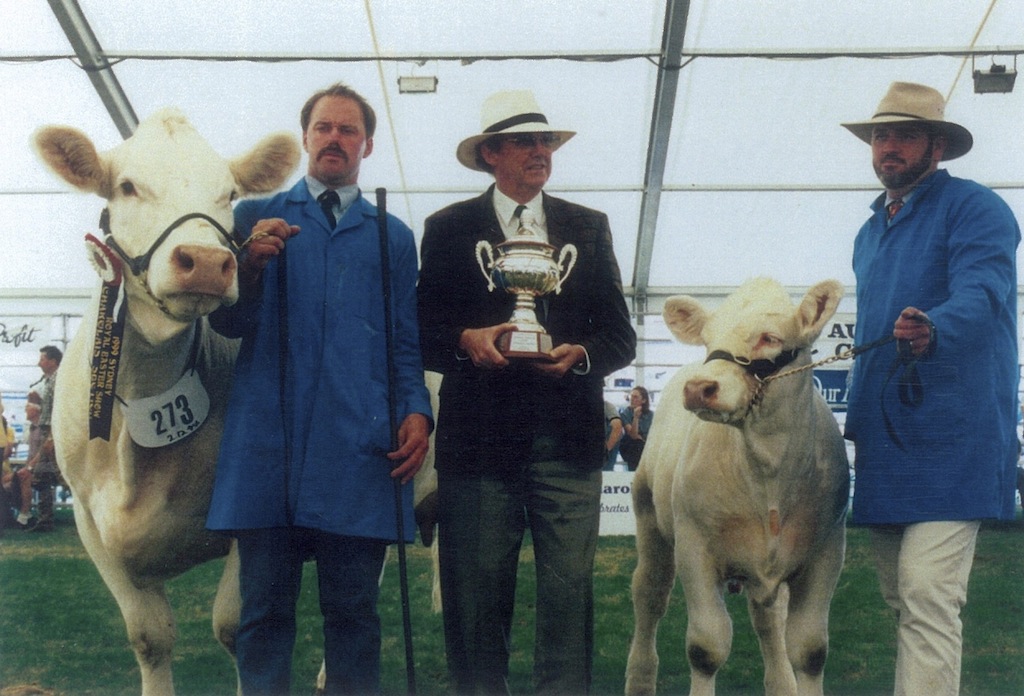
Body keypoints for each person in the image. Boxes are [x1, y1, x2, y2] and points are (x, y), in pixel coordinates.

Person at [205, 82, 432, 695]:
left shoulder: (393, 236)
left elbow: (403, 342)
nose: (335, 138)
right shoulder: (253, 219)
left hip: (359, 450)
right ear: (305, 138)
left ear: (368, 145)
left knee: (355, 617)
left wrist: (418, 410)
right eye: (324, 128)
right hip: (269, 450)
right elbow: (225, 322)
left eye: (348, 129)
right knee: (263, 617)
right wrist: (249, 267)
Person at [417, 89, 636, 694]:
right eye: (524, 142)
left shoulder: (588, 228)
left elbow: (620, 335)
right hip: (479, 448)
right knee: (477, 610)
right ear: (491, 154)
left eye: (546, 142)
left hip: (567, 445)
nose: (540, 152)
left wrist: (580, 354)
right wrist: (467, 338)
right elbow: (422, 329)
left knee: (569, 605)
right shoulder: (448, 228)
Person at [841, 81, 1020, 696]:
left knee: (926, 594)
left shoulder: (977, 208)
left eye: (904, 136)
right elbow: (868, 329)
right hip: (887, 442)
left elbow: (984, 290)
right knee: (903, 599)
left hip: (956, 433)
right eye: (880, 136)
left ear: (936, 147)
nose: (888, 147)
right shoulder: (869, 231)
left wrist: (935, 326)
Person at [24, 346, 61, 532]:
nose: (39, 362)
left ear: (53, 361)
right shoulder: (48, 381)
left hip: (56, 432)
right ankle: (45, 520)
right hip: (50, 431)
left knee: (47, 476)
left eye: (43, 359)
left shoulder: (60, 380)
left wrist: (53, 436)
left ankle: (45, 520)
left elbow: (61, 409)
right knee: (43, 476)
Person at [618, 386, 653, 472]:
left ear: (644, 400)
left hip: (645, 444)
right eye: (631, 396)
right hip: (630, 445)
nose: (632, 399)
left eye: (635, 397)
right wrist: (635, 417)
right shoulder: (626, 413)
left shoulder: (651, 415)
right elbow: (633, 435)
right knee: (637, 445)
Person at [603, 400, 624, 471]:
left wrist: (607, 449)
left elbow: (617, 426)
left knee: (606, 472)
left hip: (608, 443)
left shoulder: (607, 406)